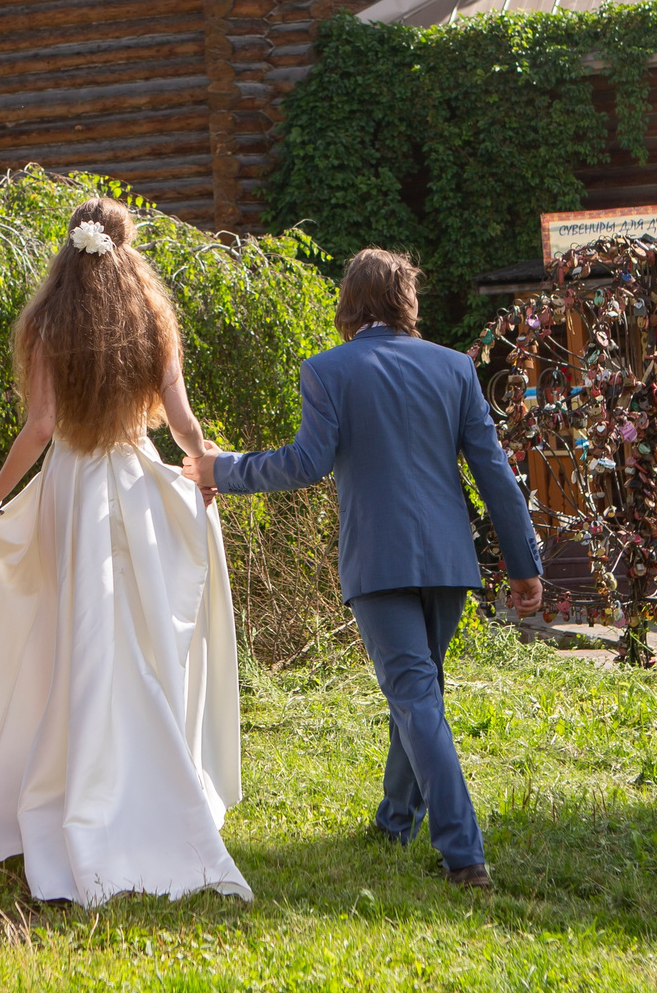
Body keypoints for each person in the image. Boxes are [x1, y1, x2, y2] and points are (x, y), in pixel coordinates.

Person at [0, 199, 249, 907]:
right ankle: (142, 778)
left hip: (73, 486)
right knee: (130, 632)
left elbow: (41, 426)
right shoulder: (151, 317)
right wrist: (206, 466)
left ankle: (78, 781)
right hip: (136, 485)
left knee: (77, 632)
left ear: (69, 248)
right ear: (125, 243)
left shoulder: (49, 321)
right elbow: (178, 415)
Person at [189, 249, 543, 890]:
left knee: (413, 696)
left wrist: (223, 468)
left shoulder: (328, 370)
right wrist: (523, 564)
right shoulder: (455, 367)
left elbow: (305, 463)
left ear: (350, 305)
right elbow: (493, 470)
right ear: (407, 301)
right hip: (447, 559)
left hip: (379, 559)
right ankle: (395, 820)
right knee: (420, 693)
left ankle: (465, 857)